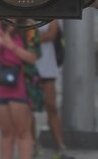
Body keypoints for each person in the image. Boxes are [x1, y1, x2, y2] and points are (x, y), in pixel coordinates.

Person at [0, 20, 39, 159]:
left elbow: (32, 58)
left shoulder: (30, 27)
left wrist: (11, 46)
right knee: (6, 133)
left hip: (20, 85)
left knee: (23, 132)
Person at [33, 20, 73, 159]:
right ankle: (34, 146)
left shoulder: (52, 11)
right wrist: (40, 36)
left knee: (52, 107)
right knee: (29, 109)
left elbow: (51, 33)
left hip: (48, 67)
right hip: (29, 67)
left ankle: (60, 147)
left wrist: (33, 37)